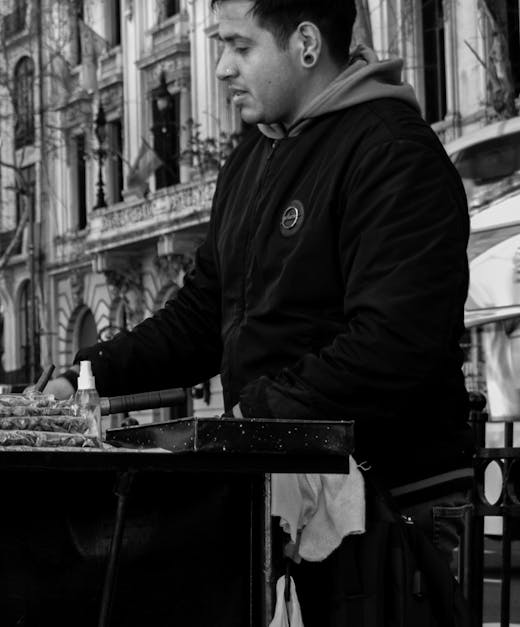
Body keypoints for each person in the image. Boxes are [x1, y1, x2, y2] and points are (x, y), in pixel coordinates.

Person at [45, 0, 471, 624]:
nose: (221, 67)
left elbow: (394, 341)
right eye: (220, 46)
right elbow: (199, 316)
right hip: (278, 497)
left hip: (391, 507)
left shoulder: (392, 151)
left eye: (241, 47)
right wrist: (87, 376)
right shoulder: (250, 158)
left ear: (305, 44)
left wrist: (256, 421)